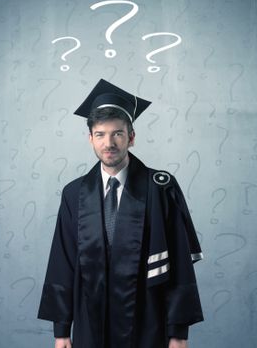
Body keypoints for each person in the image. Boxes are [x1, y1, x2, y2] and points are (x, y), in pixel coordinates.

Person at [38, 79, 204, 348]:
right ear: (90, 138)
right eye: (100, 134)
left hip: (148, 321)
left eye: (117, 133)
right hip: (90, 323)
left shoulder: (160, 188)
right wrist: (61, 331)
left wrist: (178, 334)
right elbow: (62, 261)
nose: (109, 143)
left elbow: (180, 266)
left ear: (132, 137)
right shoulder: (74, 193)